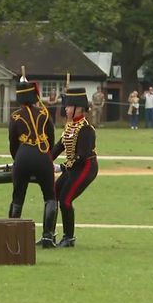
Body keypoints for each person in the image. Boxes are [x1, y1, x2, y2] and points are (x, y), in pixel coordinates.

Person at [8, 81, 57, 248]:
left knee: (18, 197)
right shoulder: (44, 113)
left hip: (23, 155)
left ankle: (11, 235)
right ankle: (48, 237)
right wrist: (46, 156)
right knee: (50, 196)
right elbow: (51, 138)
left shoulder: (15, 116)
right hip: (43, 155)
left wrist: (18, 161)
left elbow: (12, 143)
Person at [51, 87, 98, 248]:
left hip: (86, 167)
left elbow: (82, 156)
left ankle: (69, 238)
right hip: (72, 167)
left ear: (78, 108)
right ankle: (49, 235)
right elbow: (59, 147)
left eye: (69, 106)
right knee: (54, 195)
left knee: (65, 200)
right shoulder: (70, 126)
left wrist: (61, 168)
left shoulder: (85, 129)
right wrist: (44, 161)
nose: (66, 108)